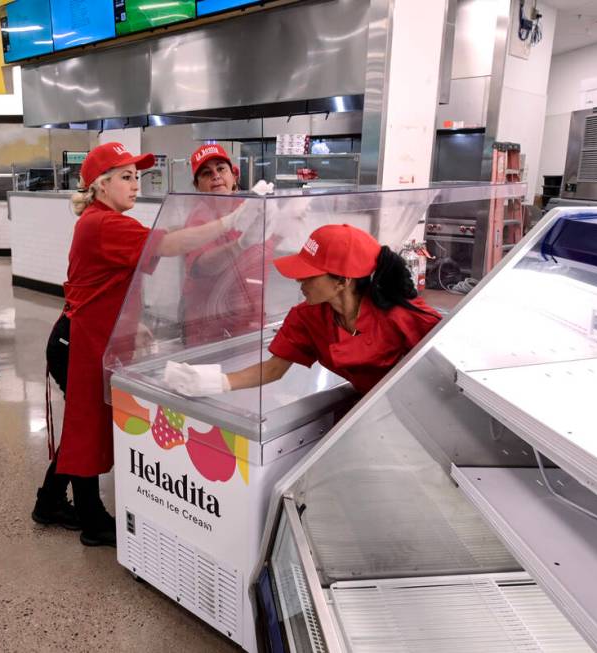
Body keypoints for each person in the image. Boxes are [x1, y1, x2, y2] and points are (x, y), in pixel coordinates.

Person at [32, 142, 245, 547]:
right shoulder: (104, 223)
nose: (135, 185)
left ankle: (49, 502)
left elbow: (109, 284)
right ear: (100, 185)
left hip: (85, 334)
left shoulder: (103, 221)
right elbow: (171, 244)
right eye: (127, 178)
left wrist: (137, 324)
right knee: (87, 427)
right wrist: (232, 221)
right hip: (77, 342)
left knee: (83, 425)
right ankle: (93, 521)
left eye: (137, 177)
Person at [165, 223, 442, 397]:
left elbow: (445, 370)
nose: (298, 280)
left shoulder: (400, 316)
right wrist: (216, 382)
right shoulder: (307, 316)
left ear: (342, 282)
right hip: (364, 404)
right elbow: (273, 369)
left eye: (309, 275)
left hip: (411, 410)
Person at [182, 144, 273, 344]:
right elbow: (202, 266)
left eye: (221, 169)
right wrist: (240, 245)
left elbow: (267, 246)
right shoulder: (198, 218)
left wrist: (288, 220)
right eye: (206, 173)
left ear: (234, 177)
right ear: (197, 186)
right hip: (210, 327)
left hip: (250, 321)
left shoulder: (249, 208)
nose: (215, 176)